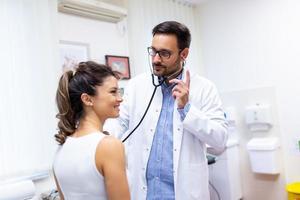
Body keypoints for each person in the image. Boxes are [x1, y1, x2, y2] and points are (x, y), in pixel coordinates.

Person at [104, 21, 228, 199]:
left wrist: (187, 109)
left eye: (164, 53)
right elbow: (120, 123)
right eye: (153, 51)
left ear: (183, 54)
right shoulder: (137, 85)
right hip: (143, 192)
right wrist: (98, 135)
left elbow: (220, 140)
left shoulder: (204, 88)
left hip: (182, 193)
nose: (155, 59)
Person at [53, 61, 130, 200]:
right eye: (113, 92)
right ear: (87, 99)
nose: (120, 98)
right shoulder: (109, 146)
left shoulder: (62, 147)